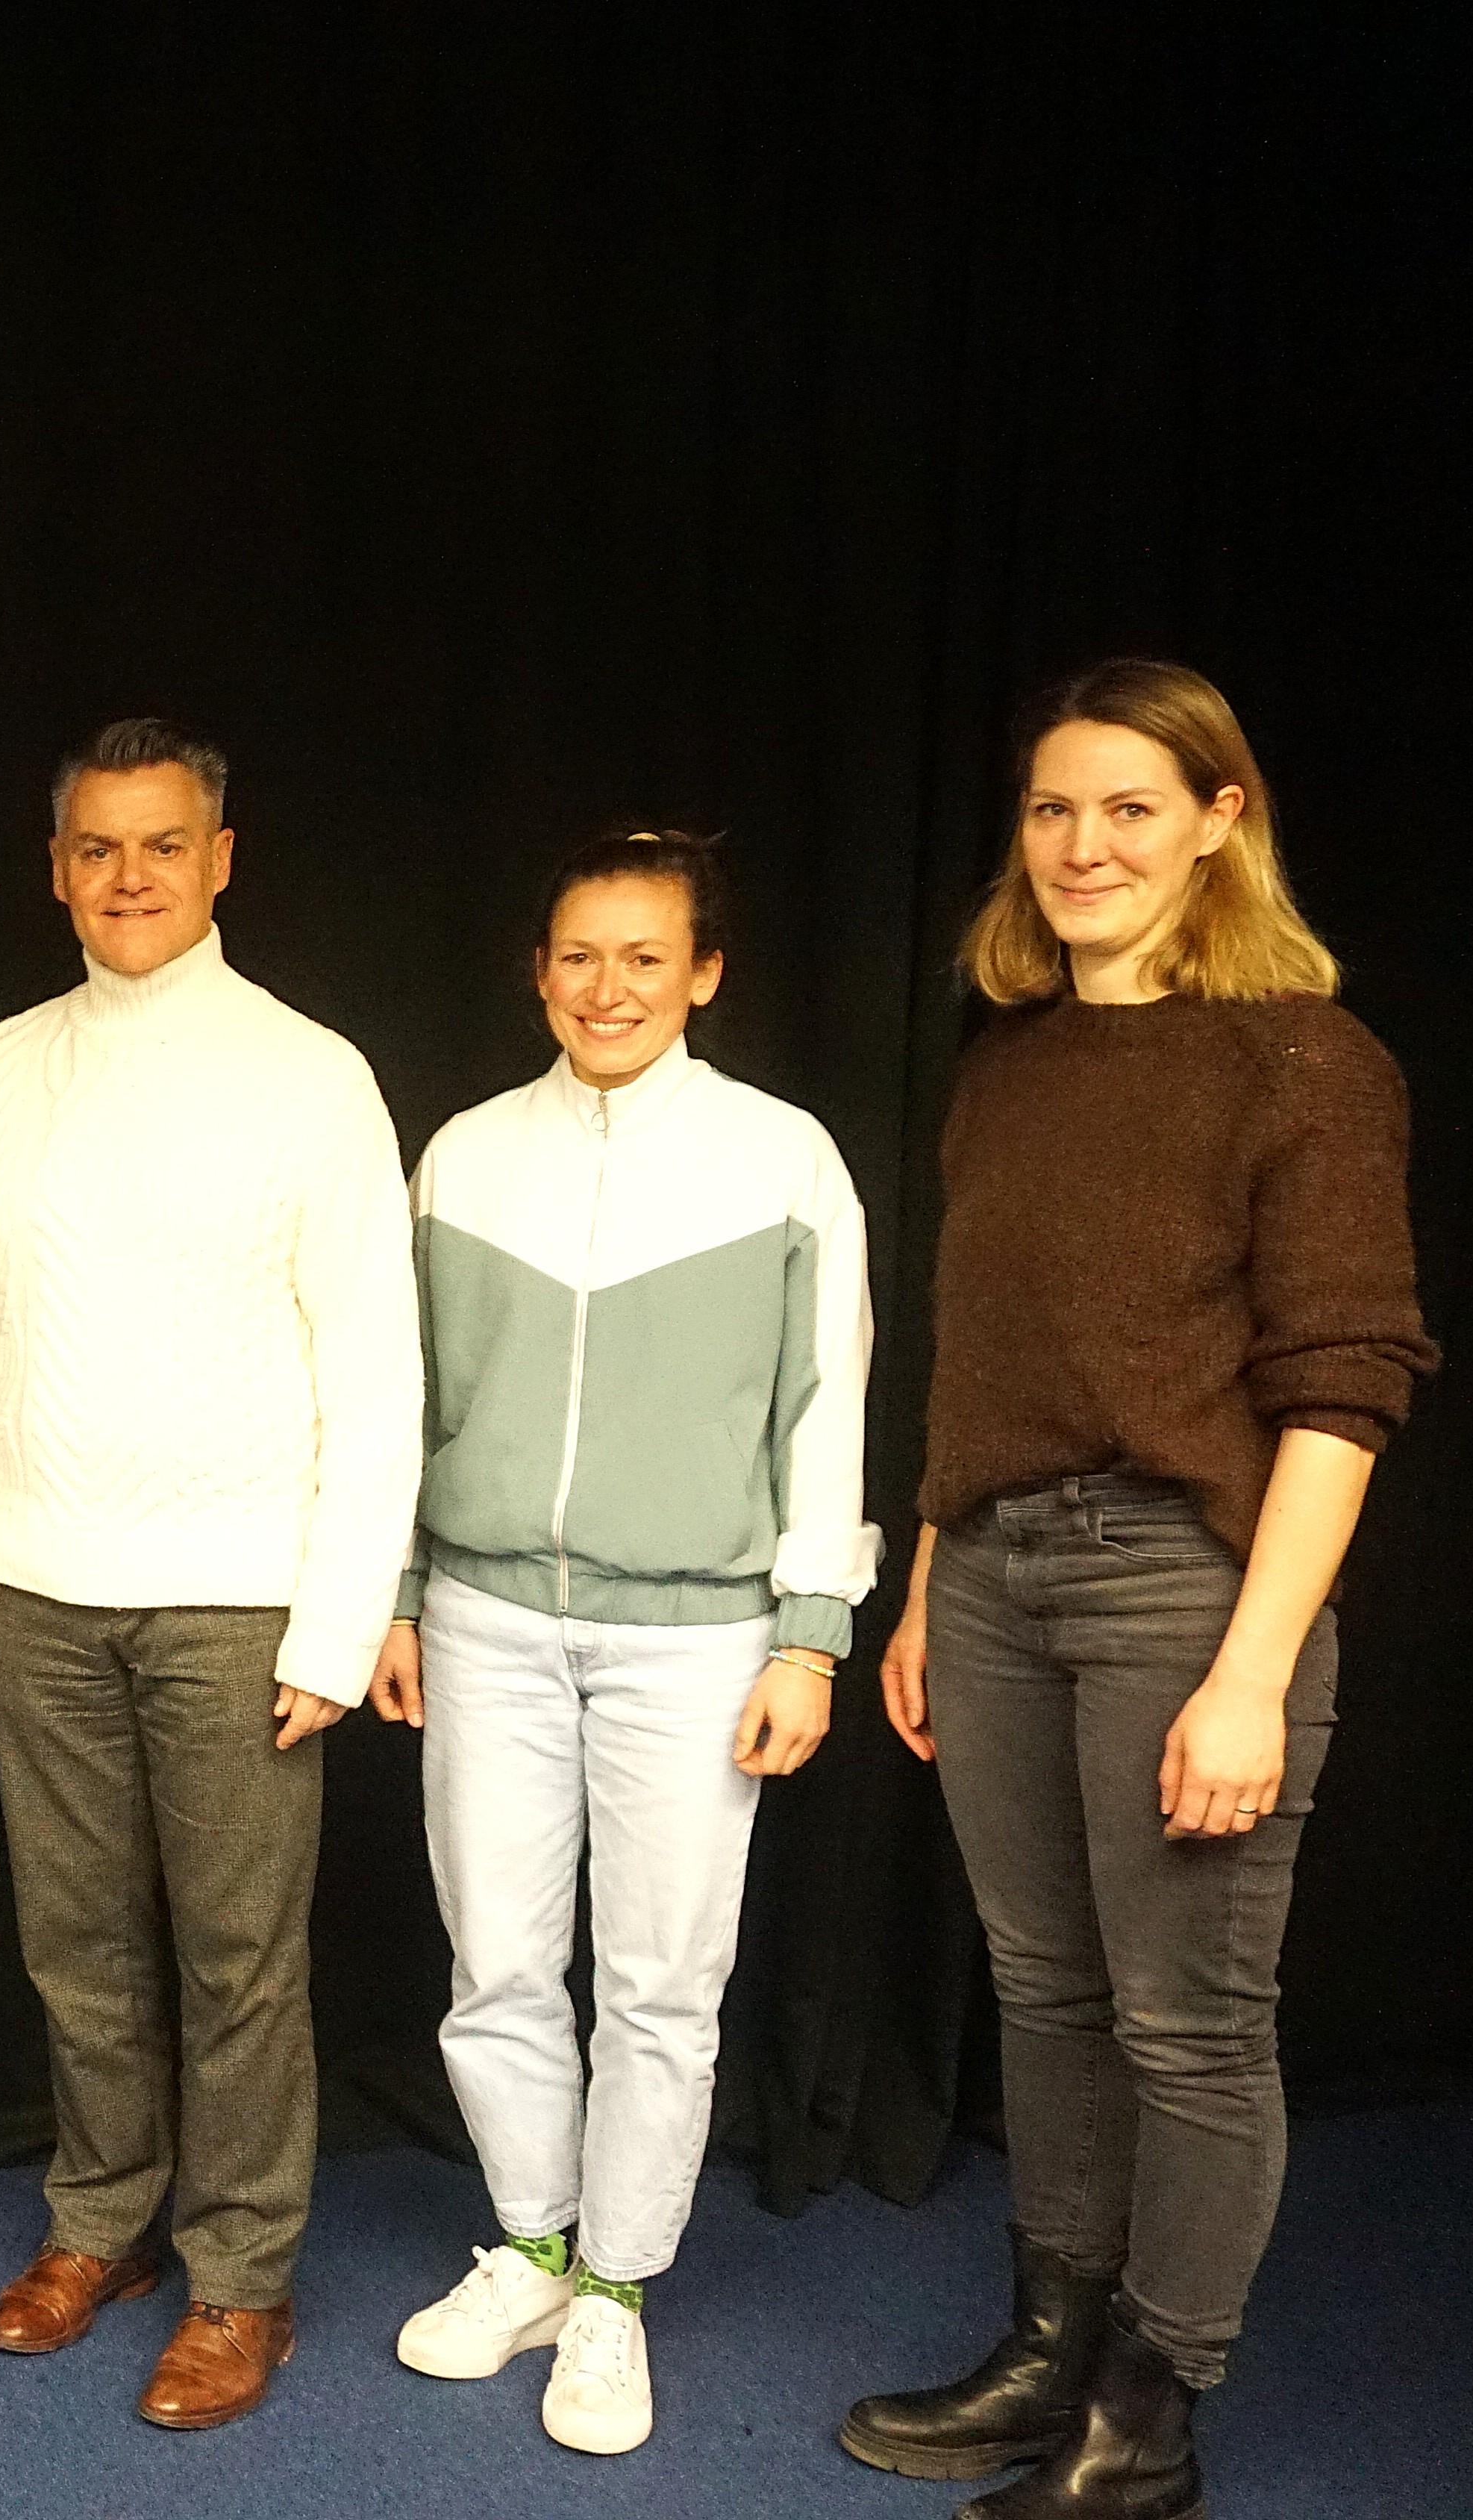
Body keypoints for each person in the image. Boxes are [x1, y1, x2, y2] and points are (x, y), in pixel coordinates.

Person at [841, 661, 1432, 2520]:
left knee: (1189, 2021)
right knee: (1044, 1987)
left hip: (1185, 1586)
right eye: (1053, 808)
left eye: (1129, 808)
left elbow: (1344, 1387)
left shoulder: (1307, 1061)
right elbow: (981, 1359)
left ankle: (1149, 2411)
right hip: (996, 1579)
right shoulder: (1009, 1066)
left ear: (1218, 822)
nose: (1083, 845)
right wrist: (931, 1578)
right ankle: (1052, 2339)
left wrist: (1254, 1669)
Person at [0, 715, 421, 2430]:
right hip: (39, 1578)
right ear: (57, 869)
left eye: (161, 845)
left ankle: (242, 2276)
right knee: (76, 1945)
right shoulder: (5, 1066)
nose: (128, 876)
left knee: (236, 1959)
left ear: (221, 859)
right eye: (97, 847)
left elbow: (377, 1365)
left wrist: (341, 1618)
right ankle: (101, 2220)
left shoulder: (310, 1073)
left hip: (241, 1592)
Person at [366, 831, 874, 2456]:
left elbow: (827, 1407)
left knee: (661, 1983)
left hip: (698, 1638)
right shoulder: (463, 1155)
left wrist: (811, 1635)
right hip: (486, 1618)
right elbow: (406, 1401)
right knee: (497, 1963)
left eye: (646, 957)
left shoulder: (784, 1159)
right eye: (580, 955)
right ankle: (532, 2245)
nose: (609, 988)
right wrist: (395, 1593)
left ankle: (616, 2291)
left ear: (704, 973)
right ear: (538, 970)